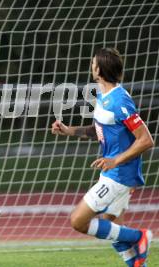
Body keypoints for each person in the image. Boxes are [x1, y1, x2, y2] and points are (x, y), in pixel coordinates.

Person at [51, 48, 154, 267]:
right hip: (115, 173)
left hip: (119, 174)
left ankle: (140, 237)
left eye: (93, 63)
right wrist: (69, 131)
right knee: (113, 231)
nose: (91, 65)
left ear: (100, 70)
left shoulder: (119, 101)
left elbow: (145, 140)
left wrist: (115, 160)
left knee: (78, 221)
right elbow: (98, 130)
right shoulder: (103, 96)